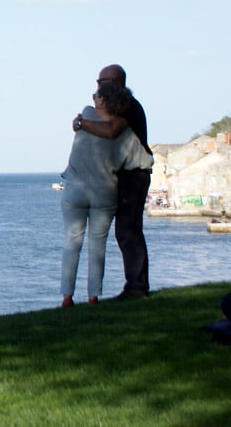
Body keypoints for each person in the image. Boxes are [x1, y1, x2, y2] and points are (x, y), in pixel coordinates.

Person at [60, 82, 154, 308]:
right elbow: (144, 160)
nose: (93, 98)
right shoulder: (125, 133)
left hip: (76, 189)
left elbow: (84, 122)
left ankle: (67, 297)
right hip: (105, 192)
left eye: (96, 94)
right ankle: (93, 297)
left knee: (72, 243)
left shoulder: (86, 115)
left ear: (102, 100)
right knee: (97, 245)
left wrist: (80, 123)